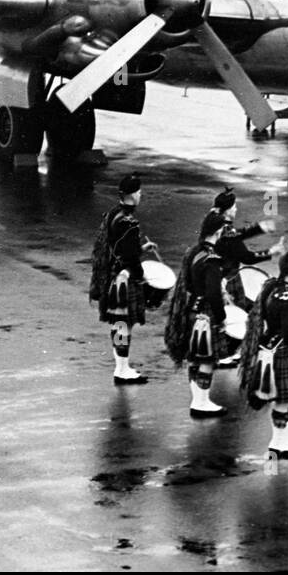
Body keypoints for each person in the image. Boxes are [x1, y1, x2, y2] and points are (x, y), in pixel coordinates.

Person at [238, 248, 288, 456]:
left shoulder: (271, 288)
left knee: (278, 398)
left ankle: (284, 437)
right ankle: (279, 443)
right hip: (282, 352)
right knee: (282, 400)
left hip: (268, 348)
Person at [88, 173, 159, 385]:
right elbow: (128, 256)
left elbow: (118, 247)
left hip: (113, 276)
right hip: (124, 279)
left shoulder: (113, 214)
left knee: (118, 323)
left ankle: (121, 366)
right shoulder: (129, 222)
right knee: (123, 324)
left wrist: (141, 248)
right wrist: (141, 276)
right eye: (139, 192)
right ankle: (122, 368)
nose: (140, 195)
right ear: (133, 194)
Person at [163, 209, 230, 417]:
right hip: (206, 314)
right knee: (207, 360)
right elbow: (213, 293)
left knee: (194, 358)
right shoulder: (212, 259)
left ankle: (198, 399)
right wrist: (222, 317)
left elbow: (189, 283)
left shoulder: (193, 251)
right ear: (218, 232)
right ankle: (202, 402)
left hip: (191, 310)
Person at [212, 187, 280, 365]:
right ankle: (227, 352)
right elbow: (247, 257)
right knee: (237, 314)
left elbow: (237, 235)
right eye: (234, 207)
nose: (236, 210)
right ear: (227, 211)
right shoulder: (228, 234)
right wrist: (271, 252)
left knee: (226, 314)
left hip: (217, 276)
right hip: (229, 279)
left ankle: (225, 350)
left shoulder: (214, 223)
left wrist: (259, 228)